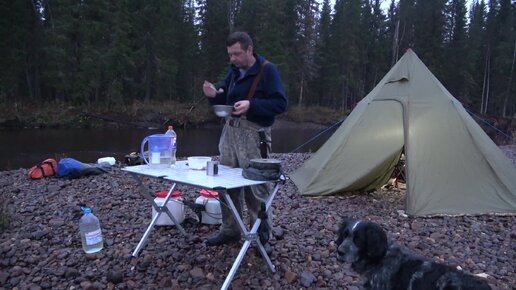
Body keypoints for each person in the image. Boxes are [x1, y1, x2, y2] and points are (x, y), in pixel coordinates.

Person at [202, 31, 287, 253]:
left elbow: (280, 104)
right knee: (225, 184)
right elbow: (224, 98)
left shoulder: (268, 70)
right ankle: (230, 229)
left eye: (236, 54)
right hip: (229, 134)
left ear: (249, 50)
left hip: (254, 135)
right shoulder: (234, 71)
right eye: (230, 54)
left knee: (256, 188)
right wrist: (213, 93)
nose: (232, 59)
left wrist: (252, 105)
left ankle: (261, 238)